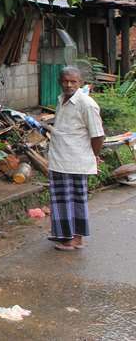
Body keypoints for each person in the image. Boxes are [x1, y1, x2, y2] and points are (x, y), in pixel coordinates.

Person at [47, 66, 105, 251]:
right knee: (63, 200)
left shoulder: (86, 104)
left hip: (75, 160)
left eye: (73, 81)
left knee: (74, 200)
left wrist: (93, 156)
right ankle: (68, 236)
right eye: (65, 81)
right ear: (60, 82)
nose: (69, 84)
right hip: (60, 159)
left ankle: (73, 238)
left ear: (80, 83)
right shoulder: (62, 100)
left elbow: (98, 135)